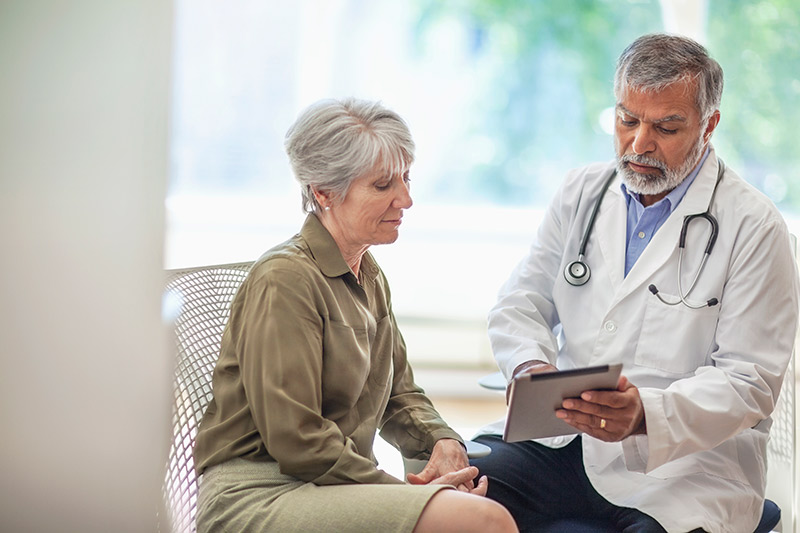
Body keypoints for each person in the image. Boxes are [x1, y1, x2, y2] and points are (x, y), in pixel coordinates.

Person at [470, 33, 799, 533]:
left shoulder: (754, 226)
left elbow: (749, 381)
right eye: (627, 120)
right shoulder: (581, 191)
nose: (640, 144)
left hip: (683, 466)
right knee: (455, 495)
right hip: (564, 443)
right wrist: (532, 365)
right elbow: (521, 302)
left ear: (708, 125)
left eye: (667, 127)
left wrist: (645, 414)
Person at [192, 98, 517, 533]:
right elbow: (298, 441)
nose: (406, 198)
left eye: (405, 177)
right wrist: (406, 494)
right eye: (383, 185)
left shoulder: (366, 272)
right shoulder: (285, 279)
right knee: (484, 522)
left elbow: (400, 394)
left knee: (482, 500)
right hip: (263, 493)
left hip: (330, 484)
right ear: (324, 191)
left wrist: (442, 443)